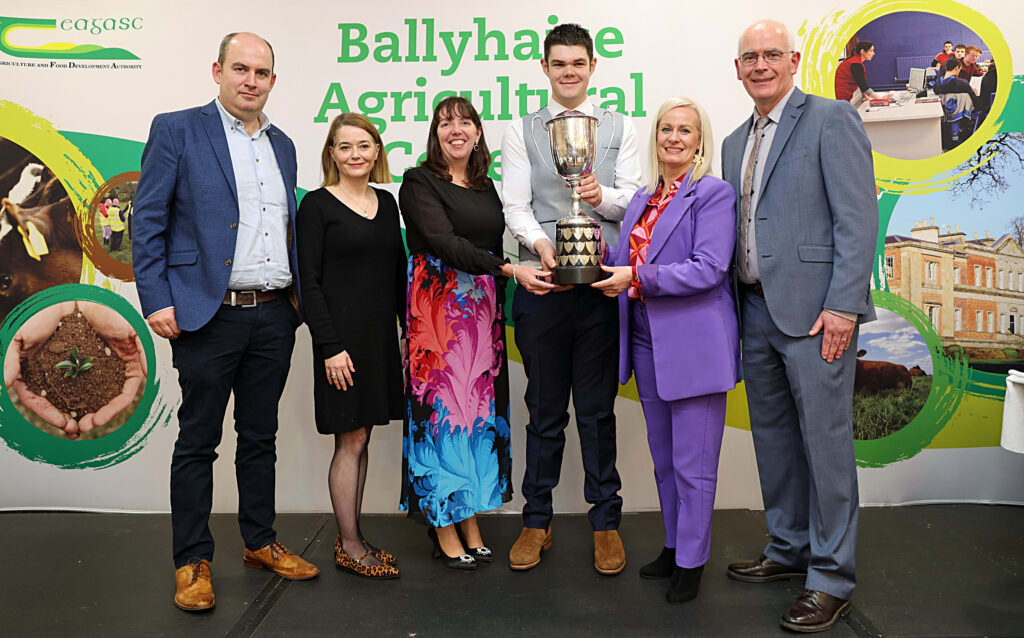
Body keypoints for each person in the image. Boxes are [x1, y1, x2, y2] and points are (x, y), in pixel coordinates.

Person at [132, 32, 319, 613]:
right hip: (206, 314)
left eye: (261, 73)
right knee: (198, 442)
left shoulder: (284, 144)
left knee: (260, 437)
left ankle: (259, 542)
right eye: (240, 69)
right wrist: (156, 298)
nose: (250, 81)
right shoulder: (177, 128)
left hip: (272, 316)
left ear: (272, 81)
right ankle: (192, 560)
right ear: (217, 70)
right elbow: (149, 221)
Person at [722, 20, 877, 633]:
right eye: (748, 58)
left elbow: (857, 219)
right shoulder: (734, 142)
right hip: (754, 309)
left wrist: (844, 306)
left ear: (793, 60)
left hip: (817, 314)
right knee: (775, 440)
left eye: (770, 55)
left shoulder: (832, 119)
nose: (760, 65)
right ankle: (788, 549)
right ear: (737, 69)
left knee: (827, 445)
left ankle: (831, 577)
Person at [501, 22, 643, 575]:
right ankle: (536, 521)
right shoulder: (523, 131)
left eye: (577, 64)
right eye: (558, 64)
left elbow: (629, 201)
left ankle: (605, 522)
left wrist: (599, 195)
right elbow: (514, 204)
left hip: (601, 286)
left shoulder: (619, 128)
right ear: (545, 68)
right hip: (543, 286)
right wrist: (540, 245)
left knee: (596, 412)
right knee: (543, 412)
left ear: (591, 67)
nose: (568, 72)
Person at [592, 97, 739, 603]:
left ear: (700, 140)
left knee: (693, 465)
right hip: (644, 340)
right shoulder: (641, 199)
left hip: (693, 346)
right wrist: (586, 257)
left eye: (685, 130)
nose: (674, 138)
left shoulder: (714, 194)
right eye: (665, 130)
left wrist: (636, 276)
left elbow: (709, 268)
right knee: (664, 461)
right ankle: (676, 546)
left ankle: (693, 563)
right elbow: (623, 258)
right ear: (655, 138)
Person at [398, 96, 513, 570]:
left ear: (479, 133)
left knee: (479, 413)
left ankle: (469, 518)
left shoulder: (487, 186)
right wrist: (507, 269)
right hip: (438, 310)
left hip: (483, 308)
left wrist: (500, 277)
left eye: (466, 122)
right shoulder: (418, 181)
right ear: (435, 133)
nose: (457, 130)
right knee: (442, 414)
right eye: (447, 124)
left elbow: (491, 239)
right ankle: (442, 522)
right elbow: (445, 242)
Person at [296, 112, 405, 580]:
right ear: (331, 154)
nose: (355, 154)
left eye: (364, 146)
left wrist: (408, 329)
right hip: (340, 342)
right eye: (345, 147)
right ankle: (349, 543)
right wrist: (329, 346)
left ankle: (352, 536)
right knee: (351, 438)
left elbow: (396, 270)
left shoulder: (386, 203)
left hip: (379, 338)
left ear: (376, 152)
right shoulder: (316, 206)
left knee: (362, 436)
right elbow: (309, 282)